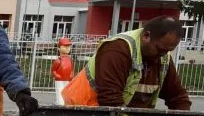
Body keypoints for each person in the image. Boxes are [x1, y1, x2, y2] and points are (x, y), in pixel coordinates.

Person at [62, 16, 191, 110]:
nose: (162, 54)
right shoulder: (117, 49)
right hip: (84, 112)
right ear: (146, 36)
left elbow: (177, 96)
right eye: (160, 49)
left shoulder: (162, 57)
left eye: (168, 50)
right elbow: (110, 99)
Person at [51, 37, 74, 105]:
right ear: (59, 48)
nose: (67, 48)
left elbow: (71, 69)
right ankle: (59, 103)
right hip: (60, 80)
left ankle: (62, 104)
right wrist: (57, 76)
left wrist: (71, 75)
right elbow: (53, 71)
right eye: (64, 46)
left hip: (67, 79)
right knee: (60, 92)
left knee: (66, 93)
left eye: (68, 46)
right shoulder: (58, 61)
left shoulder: (70, 60)